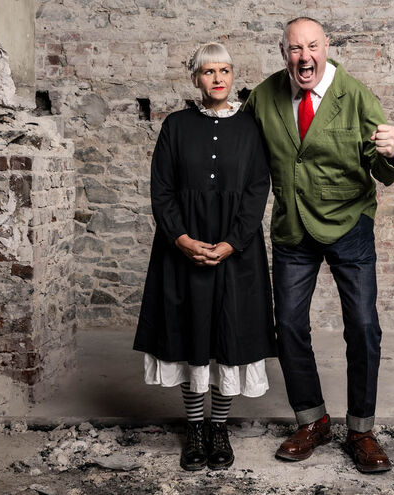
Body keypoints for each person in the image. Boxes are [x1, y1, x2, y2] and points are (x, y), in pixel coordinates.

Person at [244, 17, 394, 473]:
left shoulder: (354, 95)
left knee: (362, 327)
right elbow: (239, 145)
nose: (304, 57)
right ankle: (312, 420)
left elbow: (387, 168)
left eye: (312, 46)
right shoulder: (264, 96)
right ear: (283, 53)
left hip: (350, 225)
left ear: (326, 47)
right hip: (293, 229)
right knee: (290, 326)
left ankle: (361, 430)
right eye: (295, 48)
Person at [133, 42, 276, 471]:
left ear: (234, 76)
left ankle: (219, 426)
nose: (218, 78)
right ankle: (194, 429)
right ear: (195, 78)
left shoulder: (252, 127)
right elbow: (162, 189)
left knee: (227, 338)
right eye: (209, 71)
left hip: (237, 251)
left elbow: (257, 190)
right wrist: (181, 239)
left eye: (225, 70)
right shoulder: (175, 126)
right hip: (183, 250)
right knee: (191, 336)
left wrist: (233, 241)